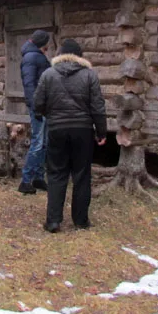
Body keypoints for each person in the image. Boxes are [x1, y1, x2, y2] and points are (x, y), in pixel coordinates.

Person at [33, 38, 107, 233]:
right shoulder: (90, 75)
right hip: (83, 130)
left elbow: (37, 104)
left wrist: (49, 115)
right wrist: (101, 132)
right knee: (82, 175)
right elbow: (98, 107)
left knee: (56, 174)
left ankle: (53, 221)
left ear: (60, 54)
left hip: (57, 128)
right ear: (79, 56)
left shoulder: (48, 74)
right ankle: (81, 221)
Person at [18, 29, 51, 195]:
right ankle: (26, 181)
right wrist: (36, 107)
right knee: (38, 143)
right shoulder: (31, 57)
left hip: (44, 106)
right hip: (38, 106)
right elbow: (29, 84)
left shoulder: (35, 55)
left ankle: (38, 177)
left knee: (44, 142)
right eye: (47, 43)